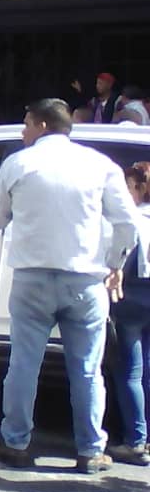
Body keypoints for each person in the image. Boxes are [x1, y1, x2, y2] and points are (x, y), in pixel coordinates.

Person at [0, 98, 139, 474]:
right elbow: (128, 224)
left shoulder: (18, 163)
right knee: (87, 370)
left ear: (40, 125)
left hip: (32, 279)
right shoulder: (99, 165)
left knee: (23, 365)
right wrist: (115, 264)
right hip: (85, 280)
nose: (23, 132)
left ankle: (16, 443)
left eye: (25, 124)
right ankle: (90, 449)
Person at [109, 163, 150, 466]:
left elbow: (119, 259)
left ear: (138, 188)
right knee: (147, 371)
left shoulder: (132, 219)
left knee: (130, 372)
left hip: (131, 299)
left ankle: (135, 440)